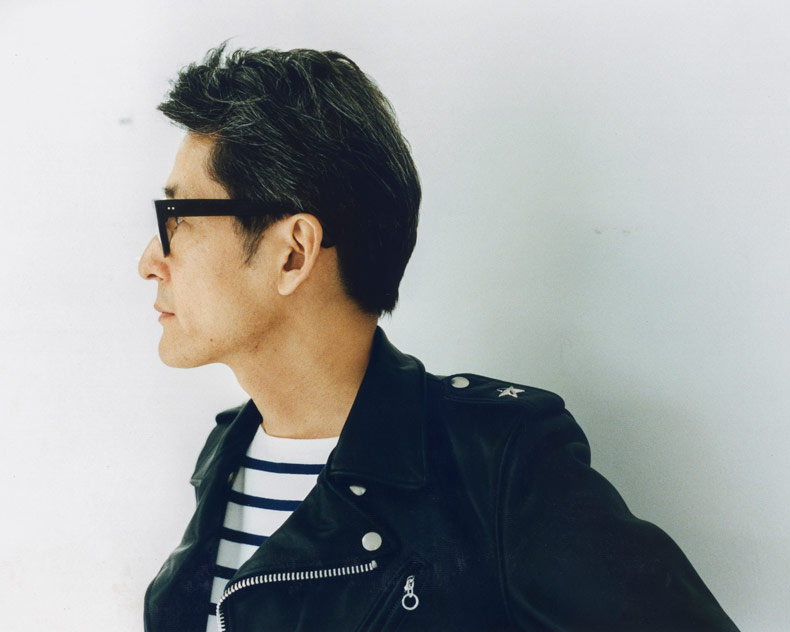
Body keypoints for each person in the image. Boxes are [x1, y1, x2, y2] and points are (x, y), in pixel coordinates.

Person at [139, 44, 739, 632]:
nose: (149, 261)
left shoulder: (498, 466)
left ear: (294, 253)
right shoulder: (223, 455)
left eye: (179, 219)